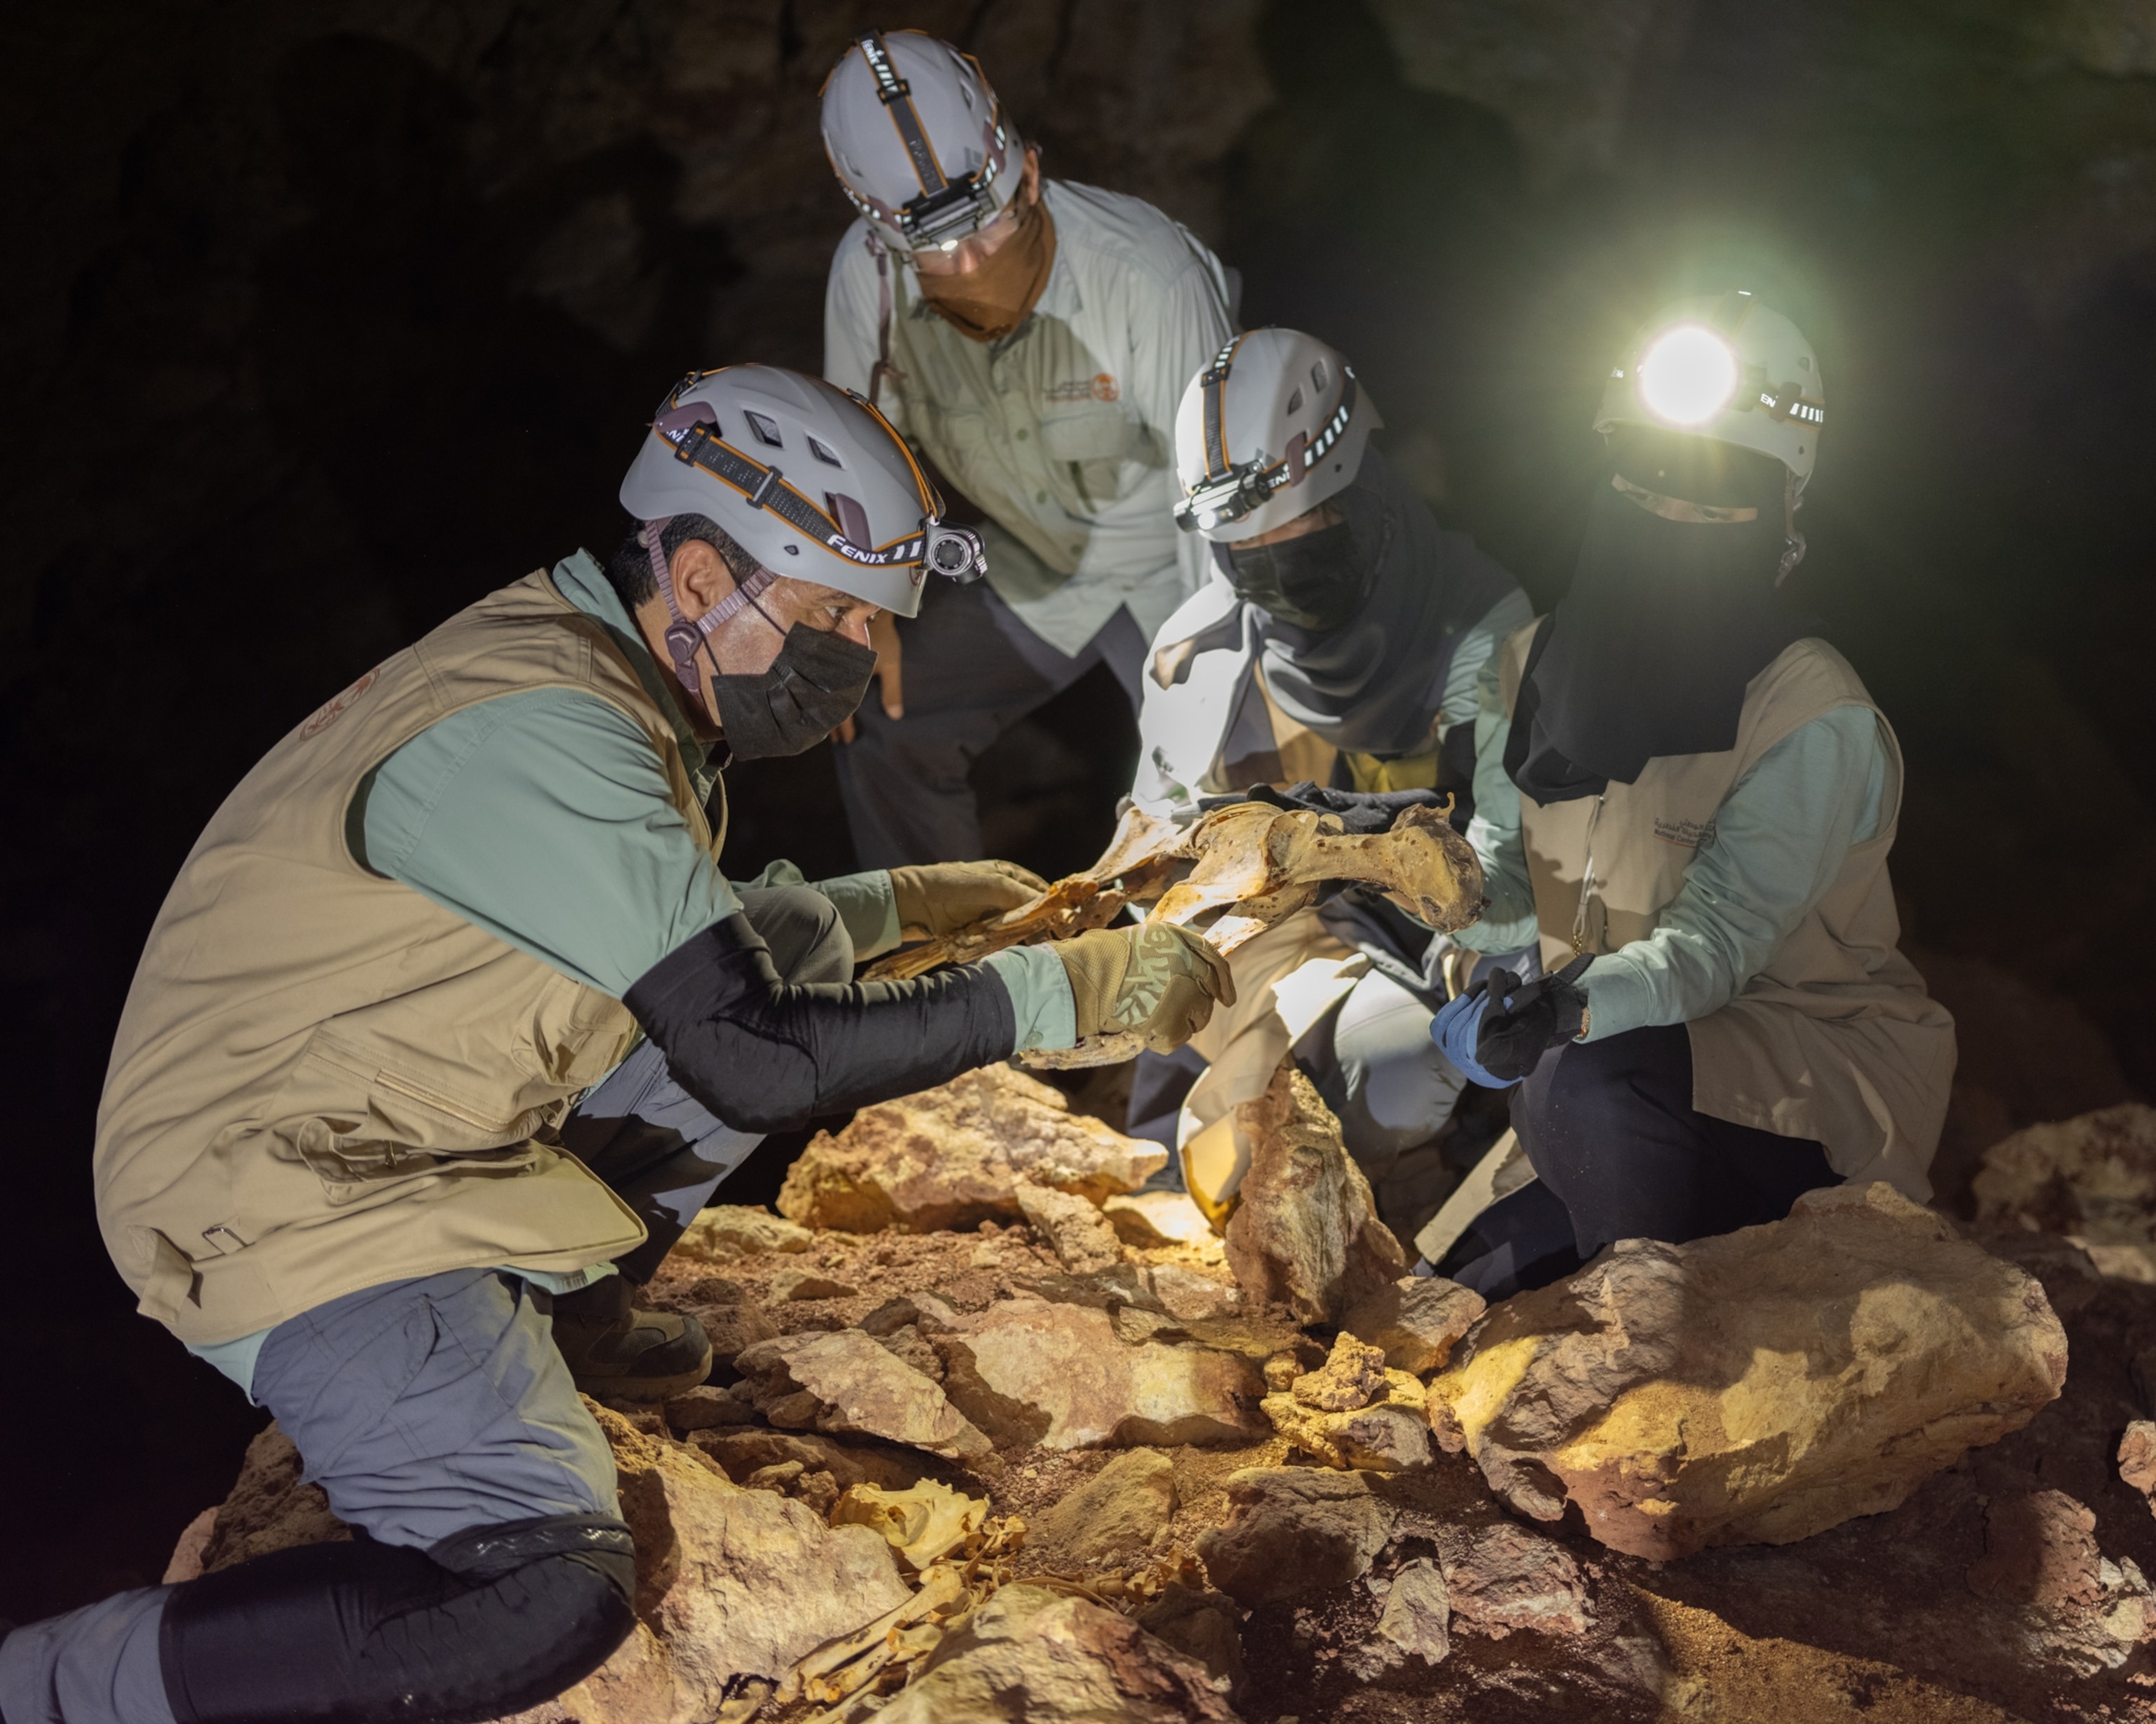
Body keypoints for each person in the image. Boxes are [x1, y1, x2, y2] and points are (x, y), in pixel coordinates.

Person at [0, 366, 1229, 1724]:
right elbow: (752, 1057)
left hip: (386, 1113)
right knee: (539, 1597)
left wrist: (900, 904)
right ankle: (52, 1690)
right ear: (701, 577)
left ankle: (566, 1316)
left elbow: (677, 937)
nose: (863, 674)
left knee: (798, 947)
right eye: (832, 616)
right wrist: (1068, 989)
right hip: (284, 1188)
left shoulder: (610, 679)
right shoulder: (554, 727)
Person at [1428, 293, 1955, 1297]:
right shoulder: (1529, 662)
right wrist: (1454, 941)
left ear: (1785, 515)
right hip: (1607, 1071)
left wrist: (1563, 1012)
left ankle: (1659, 1342)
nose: (1674, 520)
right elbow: (1507, 879)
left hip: (1803, 1082)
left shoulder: (1812, 709)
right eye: (1647, 490)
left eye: (1717, 507)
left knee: (1578, 1082)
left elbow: (1713, 949)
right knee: (1435, 1307)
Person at [1125, 328, 1531, 1238]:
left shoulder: (1480, 628)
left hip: (1448, 941)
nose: (1270, 564)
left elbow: (1510, 856)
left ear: (1355, 489)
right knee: (1178, 994)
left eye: (1294, 531)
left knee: (1413, 1067)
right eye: (1243, 548)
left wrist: (1496, 979)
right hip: (1284, 936)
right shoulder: (1202, 654)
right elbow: (1161, 882)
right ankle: (1201, 1148)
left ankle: (1443, 1151)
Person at [819, 28, 1235, 866]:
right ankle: (944, 965)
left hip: (1178, 559)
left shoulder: (1150, 274)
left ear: (1030, 172)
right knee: (882, 720)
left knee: (1242, 789)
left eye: (992, 226)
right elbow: (853, 450)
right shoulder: (868, 281)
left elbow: (1224, 515)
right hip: (1040, 564)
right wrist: (859, 608)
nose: (970, 263)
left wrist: (1204, 700)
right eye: (937, 251)